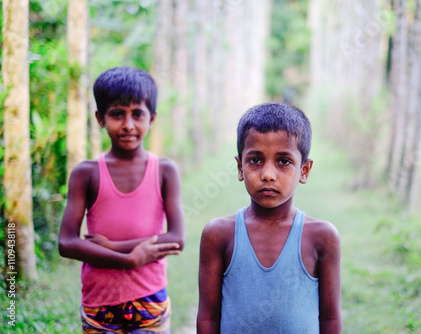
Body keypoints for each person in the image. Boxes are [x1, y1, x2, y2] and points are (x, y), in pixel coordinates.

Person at [59, 66, 185, 334]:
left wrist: (115, 247)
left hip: (150, 299)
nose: (128, 125)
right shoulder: (86, 173)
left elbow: (176, 238)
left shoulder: (164, 170)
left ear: (152, 119)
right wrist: (129, 260)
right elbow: (66, 243)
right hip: (100, 301)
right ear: (100, 118)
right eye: (117, 114)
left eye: (137, 114)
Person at [197, 103, 342, 333]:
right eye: (255, 160)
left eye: (283, 161)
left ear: (304, 170)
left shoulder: (322, 237)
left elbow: (330, 319)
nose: (267, 175)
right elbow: (208, 317)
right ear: (240, 167)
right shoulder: (218, 234)